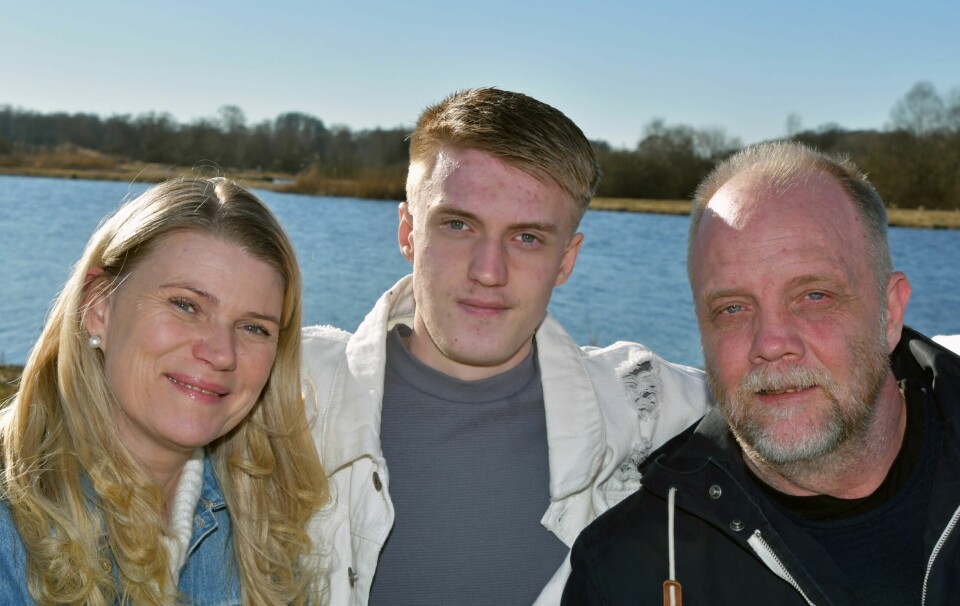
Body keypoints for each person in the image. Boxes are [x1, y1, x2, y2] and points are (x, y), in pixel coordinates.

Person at [301, 87, 711, 605]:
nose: (488, 272)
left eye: (527, 238)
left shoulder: (644, 408)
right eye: (457, 225)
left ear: (567, 259)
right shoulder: (296, 393)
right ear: (407, 231)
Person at [562, 141, 960, 605]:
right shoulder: (628, 571)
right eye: (732, 308)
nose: (771, 344)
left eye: (814, 296)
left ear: (890, 313)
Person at [0, 178, 327, 605]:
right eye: (186, 305)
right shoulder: (12, 525)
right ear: (99, 306)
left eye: (253, 328)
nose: (221, 353)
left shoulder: (268, 523)